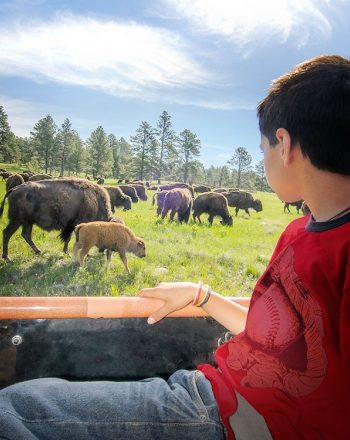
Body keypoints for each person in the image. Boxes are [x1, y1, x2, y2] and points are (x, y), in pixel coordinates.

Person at [0, 54, 349, 440]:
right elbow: (278, 337)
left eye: (262, 147)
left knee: (12, 409)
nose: (263, 157)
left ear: (283, 144)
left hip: (237, 417)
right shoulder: (298, 232)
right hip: (218, 391)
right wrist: (204, 296)